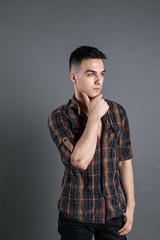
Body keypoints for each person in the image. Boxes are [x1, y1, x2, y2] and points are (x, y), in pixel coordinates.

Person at [48, 46, 135, 240]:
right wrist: (94, 115)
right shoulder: (59, 117)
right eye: (91, 74)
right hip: (76, 214)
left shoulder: (117, 112)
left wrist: (131, 205)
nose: (99, 80)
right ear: (74, 77)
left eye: (102, 74)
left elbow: (124, 160)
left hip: (113, 213)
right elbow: (80, 161)